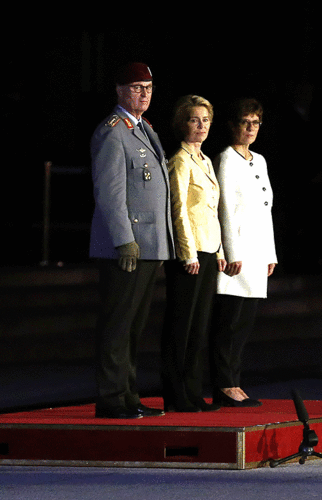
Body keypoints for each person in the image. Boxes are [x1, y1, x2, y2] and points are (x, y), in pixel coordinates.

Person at [89, 63, 174, 419]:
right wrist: (124, 240)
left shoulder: (144, 129)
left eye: (149, 88)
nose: (144, 94)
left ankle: (129, 394)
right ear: (120, 90)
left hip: (151, 244)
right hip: (127, 248)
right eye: (137, 87)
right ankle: (111, 398)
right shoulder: (113, 132)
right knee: (118, 324)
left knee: (135, 327)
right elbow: (110, 194)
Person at [209, 98, 277, 407]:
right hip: (236, 252)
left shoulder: (259, 160)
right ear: (233, 126)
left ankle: (235, 381)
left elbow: (266, 211)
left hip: (256, 252)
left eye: (255, 123)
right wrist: (231, 252)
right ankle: (224, 384)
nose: (250, 129)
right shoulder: (226, 158)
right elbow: (225, 210)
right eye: (244, 122)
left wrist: (270, 254)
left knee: (245, 323)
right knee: (230, 322)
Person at [160, 95, 224, 412]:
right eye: (194, 120)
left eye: (205, 120)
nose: (201, 126)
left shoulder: (206, 160)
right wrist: (188, 254)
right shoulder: (180, 161)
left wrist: (221, 250)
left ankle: (193, 391)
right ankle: (175, 394)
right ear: (182, 124)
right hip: (190, 252)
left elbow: (212, 210)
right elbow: (179, 211)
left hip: (209, 249)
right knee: (181, 325)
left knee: (200, 326)